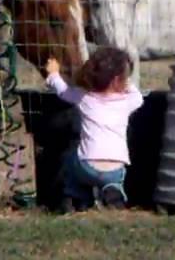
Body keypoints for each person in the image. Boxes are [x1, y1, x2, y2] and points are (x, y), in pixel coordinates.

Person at [45, 46, 144, 213]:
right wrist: (129, 85)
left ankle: (75, 196)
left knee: (70, 161)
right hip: (115, 168)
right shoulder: (128, 101)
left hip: (86, 166)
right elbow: (139, 97)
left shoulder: (85, 98)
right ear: (119, 80)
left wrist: (53, 73)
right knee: (114, 178)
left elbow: (62, 91)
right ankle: (113, 190)